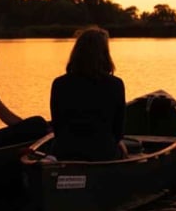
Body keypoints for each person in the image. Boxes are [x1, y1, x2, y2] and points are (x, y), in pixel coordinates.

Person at [48, 27, 127, 160]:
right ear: (105, 54)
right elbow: (118, 132)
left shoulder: (59, 84)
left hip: (65, 152)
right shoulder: (115, 84)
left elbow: (57, 127)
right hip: (103, 152)